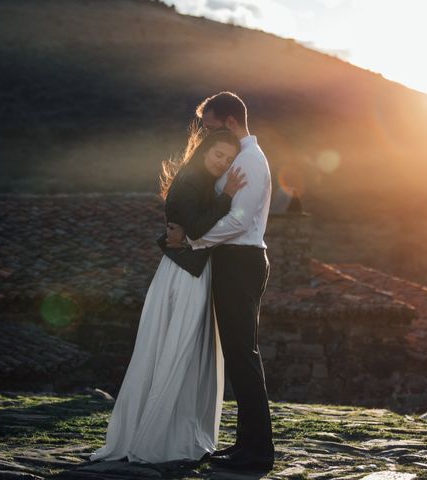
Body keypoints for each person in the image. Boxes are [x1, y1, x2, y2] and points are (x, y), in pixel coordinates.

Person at [89, 128, 247, 463]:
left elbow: (189, 232)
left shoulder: (201, 181)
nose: (223, 162)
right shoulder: (189, 181)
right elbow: (196, 227)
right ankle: (157, 437)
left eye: (230, 159)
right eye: (219, 154)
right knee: (176, 347)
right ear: (205, 150)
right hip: (184, 275)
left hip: (193, 272)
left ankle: (179, 433)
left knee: (187, 352)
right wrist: (228, 196)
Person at [167, 91, 274, 471]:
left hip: (240, 261)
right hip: (232, 261)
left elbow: (239, 221)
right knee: (238, 354)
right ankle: (245, 444)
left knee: (244, 356)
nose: (208, 135)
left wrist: (195, 240)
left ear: (229, 121)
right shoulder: (241, 157)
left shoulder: (250, 161)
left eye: (211, 126)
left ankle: (258, 452)